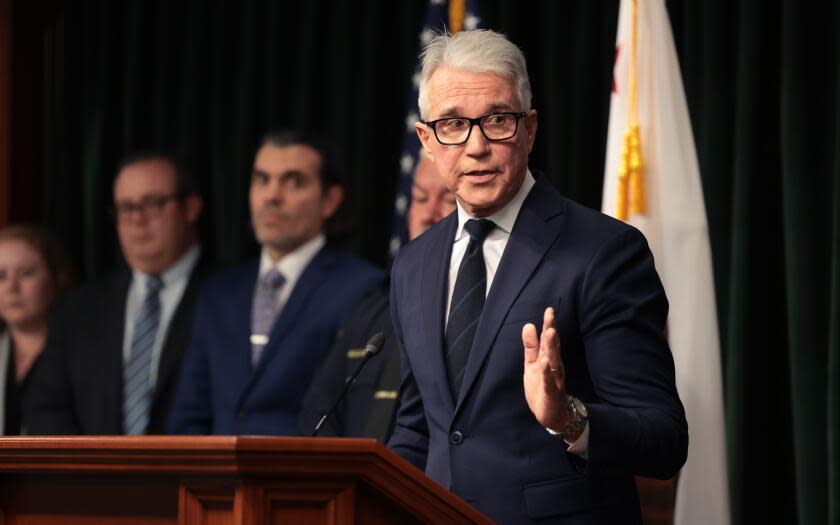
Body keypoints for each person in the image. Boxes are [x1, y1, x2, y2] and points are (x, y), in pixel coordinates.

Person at [387, 30, 688, 524]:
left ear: (529, 128)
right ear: (426, 140)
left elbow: (662, 439)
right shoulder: (413, 265)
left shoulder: (603, 253)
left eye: (497, 120)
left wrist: (567, 418)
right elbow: (419, 430)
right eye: (454, 125)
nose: (476, 145)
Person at [169, 131, 383, 435]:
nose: (272, 195)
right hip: (215, 479)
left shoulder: (362, 289)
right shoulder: (220, 292)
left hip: (305, 478)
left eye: (293, 181)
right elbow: (188, 417)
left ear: (330, 200)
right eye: (262, 180)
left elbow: (353, 417)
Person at [25, 153, 213, 435]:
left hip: (196, 477)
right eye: (126, 208)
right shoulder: (78, 309)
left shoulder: (230, 297)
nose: (137, 219)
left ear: (191, 208)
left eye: (153, 203)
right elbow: (47, 408)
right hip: (92, 478)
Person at [298, 156, 455, 440]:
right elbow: (319, 414)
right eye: (419, 198)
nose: (428, 214)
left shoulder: (471, 316)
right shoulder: (370, 312)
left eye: (449, 200)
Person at [0, 225, 72, 435]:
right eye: (1, 276)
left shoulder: (79, 354)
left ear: (56, 278)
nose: (12, 287)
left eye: (26, 273)